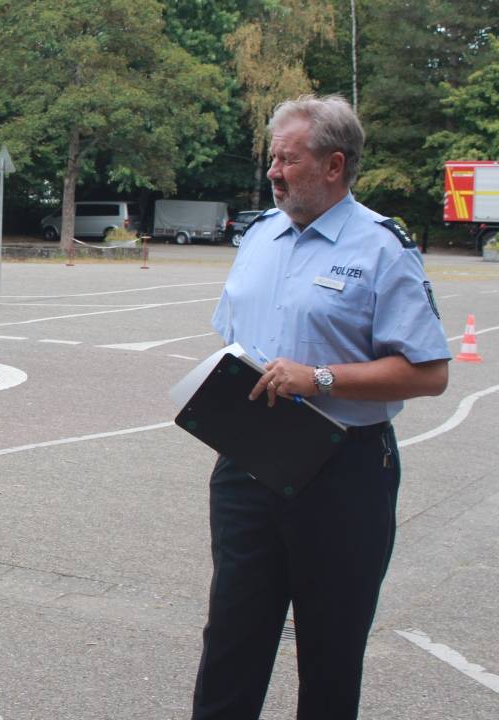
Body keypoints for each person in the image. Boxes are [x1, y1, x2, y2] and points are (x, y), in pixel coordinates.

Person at [191, 95, 450, 719]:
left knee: (330, 653)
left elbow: (430, 372)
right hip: (249, 463)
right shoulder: (258, 237)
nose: (274, 172)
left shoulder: (383, 247)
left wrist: (320, 378)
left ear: (334, 166)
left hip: (344, 472)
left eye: (289, 158)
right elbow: (235, 339)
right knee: (230, 640)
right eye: (272, 159)